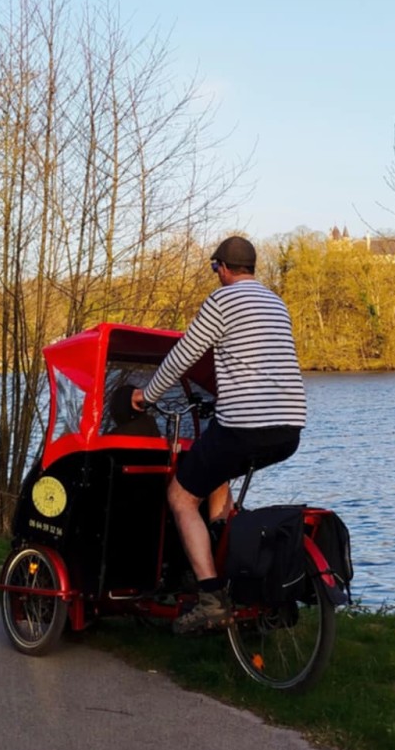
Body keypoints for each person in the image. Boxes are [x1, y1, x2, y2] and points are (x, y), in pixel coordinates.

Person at [131, 235, 306, 634]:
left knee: (179, 495)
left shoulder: (222, 301)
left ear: (223, 268)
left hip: (245, 426)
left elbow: (184, 355)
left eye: (215, 269)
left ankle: (210, 597)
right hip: (289, 428)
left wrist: (147, 395)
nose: (216, 276)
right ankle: (223, 550)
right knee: (216, 474)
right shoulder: (276, 304)